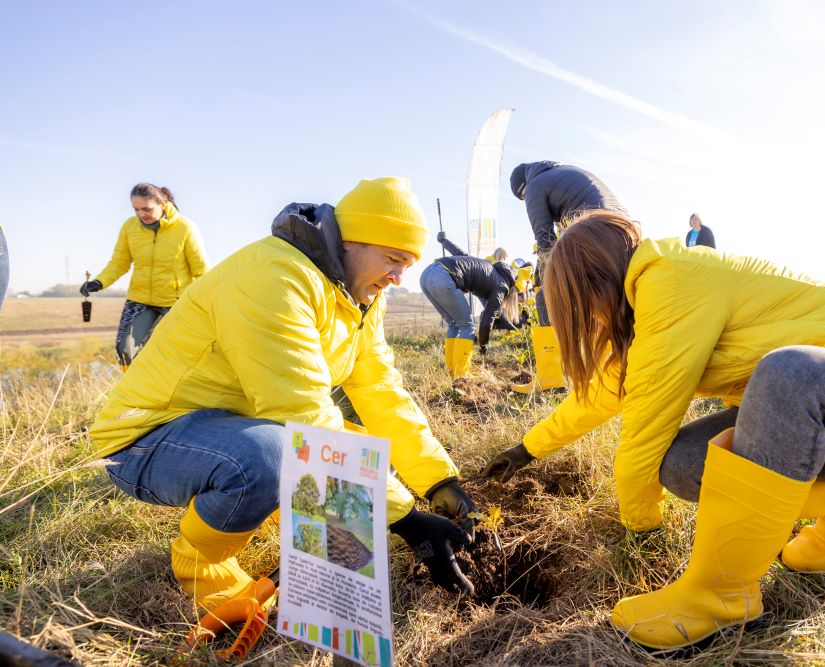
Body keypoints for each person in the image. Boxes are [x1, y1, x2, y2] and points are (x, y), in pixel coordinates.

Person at [483, 210, 825, 650]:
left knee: (789, 373)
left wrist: (640, 526)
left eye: (579, 305)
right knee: (682, 463)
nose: (587, 321)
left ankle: (720, 594)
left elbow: (645, 421)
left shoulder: (673, 279)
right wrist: (524, 450)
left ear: (595, 283)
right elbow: (604, 395)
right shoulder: (648, 309)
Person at [90, 177, 484, 610]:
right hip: (146, 438)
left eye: (407, 263)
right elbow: (303, 414)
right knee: (276, 455)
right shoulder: (273, 277)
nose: (398, 277)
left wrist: (438, 481)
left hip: (227, 424)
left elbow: (378, 388)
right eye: (393, 259)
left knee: (354, 447)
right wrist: (407, 520)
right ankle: (200, 567)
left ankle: (294, 538)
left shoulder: (358, 296)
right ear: (351, 242)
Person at [509, 161, 629, 393]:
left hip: (594, 231)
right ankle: (607, 370)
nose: (525, 201)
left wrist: (548, 279)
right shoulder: (565, 173)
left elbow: (544, 240)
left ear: (522, 188)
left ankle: (552, 378)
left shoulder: (534, 186)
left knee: (546, 297)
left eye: (522, 197)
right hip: (623, 231)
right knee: (603, 300)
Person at [81, 183, 208, 368]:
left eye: (146, 209)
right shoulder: (130, 227)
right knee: (125, 351)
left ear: (163, 204)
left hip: (175, 302)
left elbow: (201, 270)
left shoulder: (185, 228)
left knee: (174, 355)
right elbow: (119, 262)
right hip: (139, 300)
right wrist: (98, 282)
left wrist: (204, 303)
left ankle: (173, 395)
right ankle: (133, 395)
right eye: (136, 209)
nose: (141, 214)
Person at [420, 244, 523, 379]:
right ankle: (462, 374)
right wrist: (484, 346)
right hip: (444, 276)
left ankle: (452, 370)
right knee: (467, 325)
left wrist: (444, 241)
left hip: (427, 274)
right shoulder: (502, 285)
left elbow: (461, 253)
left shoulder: (489, 269)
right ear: (513, 290)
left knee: (454, 324)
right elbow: (487, 321)